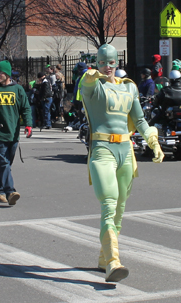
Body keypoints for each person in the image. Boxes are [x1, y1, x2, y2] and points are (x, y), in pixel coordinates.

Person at [79, 44, 164, 283]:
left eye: (111, 62)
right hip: (103, 149)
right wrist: (92, 73)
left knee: (119, 210)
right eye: (103, 62)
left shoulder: (129, 88)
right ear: (97, 62)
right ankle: (113, 262)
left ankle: (103, 257)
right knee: (109, 203)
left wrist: (153, 141)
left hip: (126, 151)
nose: (108, 67)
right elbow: (85, 83)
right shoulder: (93, 85)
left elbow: (139, 120)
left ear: (117, 63)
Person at [0, 60, 33, 205]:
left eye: (0, 72)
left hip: (13, 133)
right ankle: (10, 191)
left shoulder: (18, 90)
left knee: (6, 165)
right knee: (4, 164)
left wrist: (28, 124)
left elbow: (26, 108)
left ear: (8, 74)